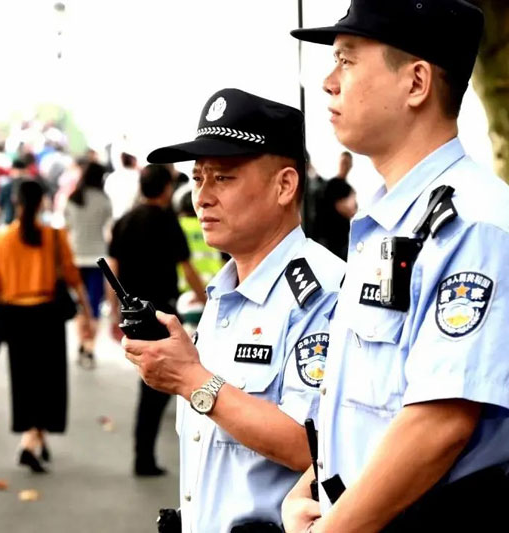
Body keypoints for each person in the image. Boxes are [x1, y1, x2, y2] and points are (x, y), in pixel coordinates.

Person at [283, 2, 509, 532]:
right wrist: (307, 491)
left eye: (347, 60)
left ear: (416, 83)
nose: (329, 81)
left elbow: (440, 423)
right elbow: (364, 408)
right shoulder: (391, 220)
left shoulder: (473, 223)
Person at [122, 88, 346, 531]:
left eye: (222, 178)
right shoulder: (225, 293)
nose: (202, 197)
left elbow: (316, 448)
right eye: (196, 178)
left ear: (285, 185)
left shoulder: (323, 294)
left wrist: (193, 379)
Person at [0, 179, 93, 474]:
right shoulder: (54, 236)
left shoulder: (1, 240)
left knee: (25, 381)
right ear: (42, 202)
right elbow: (73, 279)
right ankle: (30, 442)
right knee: (49, 382)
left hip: (15, 317)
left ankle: (35, 439)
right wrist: (87, 315)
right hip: (47, 316)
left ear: (15, 202)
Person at [108, 163, 207, 478]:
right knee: (157, 387)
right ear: (165, 189)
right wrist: (207, 300)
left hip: (132, 314)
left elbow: (113, 269)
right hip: (161, 313)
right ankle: (145, 458)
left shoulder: (124, 221)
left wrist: (112, 312)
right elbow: (187, 268)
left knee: (151, 383)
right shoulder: (167, 222)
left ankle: (143, 455)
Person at [64, 161, 112, 369]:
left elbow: (67, 227)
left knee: (79, 305)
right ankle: (89, 347)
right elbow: (108, 228)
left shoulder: (73, 198)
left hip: (75, 258)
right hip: (97, 259)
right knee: (94, 306)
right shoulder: (104, 200)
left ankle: (81, 342)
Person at [314, 151, 357, 260]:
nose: (344, 165)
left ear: (351, 165)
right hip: (328, 240)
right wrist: (346, 206)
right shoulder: (331, 184)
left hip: (343, 239)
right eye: (343, 162)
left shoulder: (349, 188)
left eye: (347, 162)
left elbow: (353, 211)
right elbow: (341, 207)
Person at [103, 151, 139, 220]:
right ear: (133, 161)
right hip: (132, 217)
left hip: (114, 216)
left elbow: (106, 195)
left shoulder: (111, 177)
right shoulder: (137, 176)